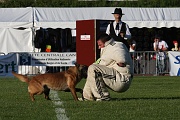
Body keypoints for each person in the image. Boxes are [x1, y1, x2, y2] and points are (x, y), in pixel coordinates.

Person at [80, 33, 133, 101]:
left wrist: (121, 62)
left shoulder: (116, 46)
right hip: (116, 76)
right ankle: (87, 97)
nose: (99, 47)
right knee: (91, 70)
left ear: (106, 42)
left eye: (100, 45)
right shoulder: (108, 48)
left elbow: (122, 59)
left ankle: (103, 97)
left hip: (122, 79)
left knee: (93, 69)